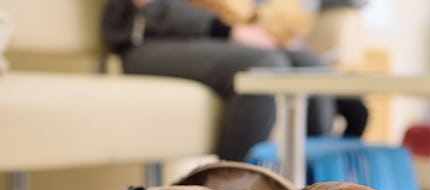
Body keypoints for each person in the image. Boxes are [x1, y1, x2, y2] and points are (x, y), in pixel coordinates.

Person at [101, 0, 365, 161]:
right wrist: (231, 31)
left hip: (212, 38)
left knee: (310, 65)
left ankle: (315, 188)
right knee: (264, 66)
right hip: (146, 40)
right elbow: (154, 9)